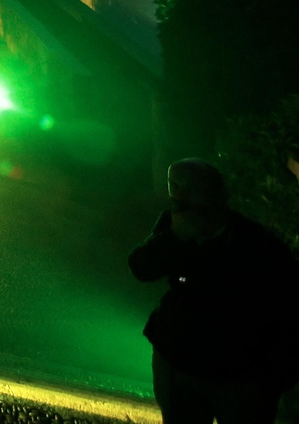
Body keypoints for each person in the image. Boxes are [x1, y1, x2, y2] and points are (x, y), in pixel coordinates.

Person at [128, 159, 299, 423]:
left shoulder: (258, 245)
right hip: (179, 358)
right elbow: (141, 267)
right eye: (175, 188)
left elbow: (285, 308)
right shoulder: (175, 224)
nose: (178, 199)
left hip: (239, 371)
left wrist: (274, 378)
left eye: (188, 190)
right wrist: (174, 236)